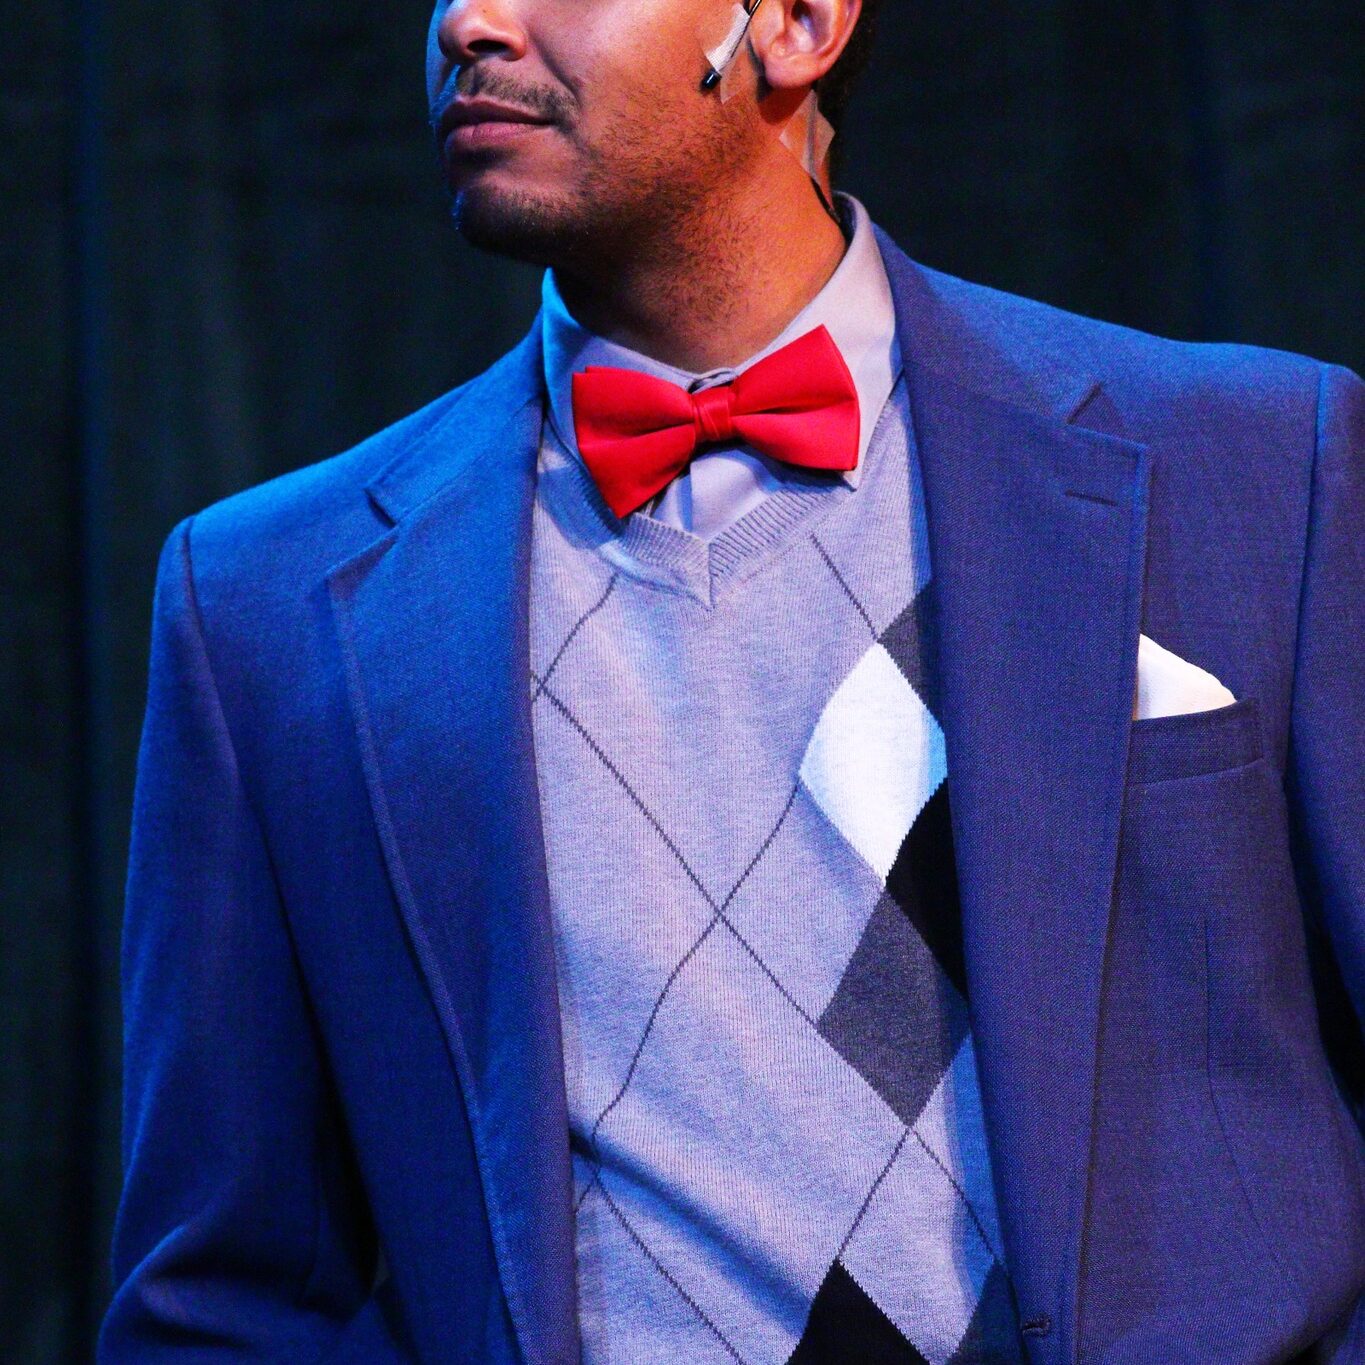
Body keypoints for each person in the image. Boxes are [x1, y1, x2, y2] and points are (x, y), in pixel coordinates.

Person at [98, 0, 1365, 1359]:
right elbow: (226, 1291)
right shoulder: (267, 601)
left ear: (797, 24)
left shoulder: (1256, 465)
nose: (469, 22)